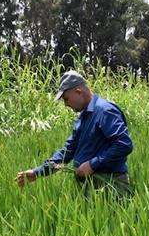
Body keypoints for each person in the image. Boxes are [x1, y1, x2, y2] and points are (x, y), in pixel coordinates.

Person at [16, 70, 134, 198]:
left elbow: (124, 145)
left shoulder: (105, 111)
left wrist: (92, 164)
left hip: (110, 185)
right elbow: (67, 154)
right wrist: (37, 172)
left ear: (79, 92)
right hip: (90, 187)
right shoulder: (83, 117)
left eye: (66, 99)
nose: (65, 104)